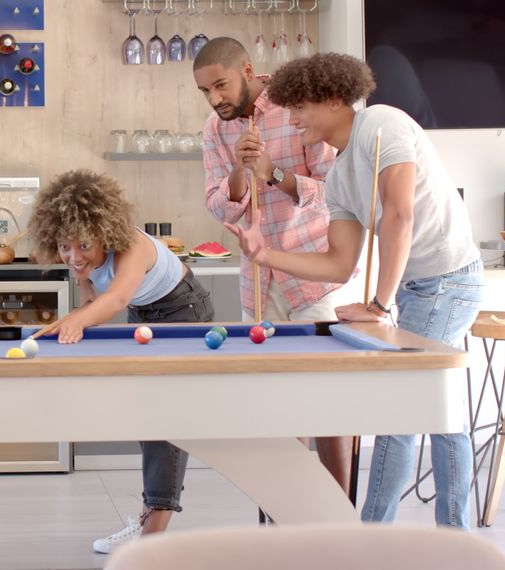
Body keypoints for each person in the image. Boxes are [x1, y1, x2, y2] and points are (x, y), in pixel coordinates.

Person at [228, 53, 483, 529]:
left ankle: (369, 540)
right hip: (417, 289)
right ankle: (456, 537)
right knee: (438, 408)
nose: (294, 118)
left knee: (401, 411)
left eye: (301, 107)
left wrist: (378, 305)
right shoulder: (340, 176)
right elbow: (338, 263)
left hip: (450, 279)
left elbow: (399, 214)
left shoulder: (382, 125)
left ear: (331, 99)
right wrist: (265, 255)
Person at [193, 37, 353, 494]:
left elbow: (335, 193)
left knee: (327, 401)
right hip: (260, 285)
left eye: (221, 85)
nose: (215, 99)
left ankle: (336, 512)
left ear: (246, 69)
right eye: (206, 92)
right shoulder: (214, 130)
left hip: (315, 277)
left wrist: (273, 174)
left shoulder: (296, 107)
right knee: (275, 402)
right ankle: (289, 509)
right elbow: (220, 209)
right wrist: (241, 171)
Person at [28, 170, 213, 554]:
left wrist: (79, 321)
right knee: (146, 418)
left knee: (165, 423)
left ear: (104, 231)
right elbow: (91, 299)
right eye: (64, 246)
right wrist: (68, 321)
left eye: (83, 246)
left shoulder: (129, 244)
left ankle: (150, 544)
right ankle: (149, 519)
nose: (74, 256)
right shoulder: (76, 256)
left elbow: (114, 300)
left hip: (183, 312)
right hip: (145, 314)